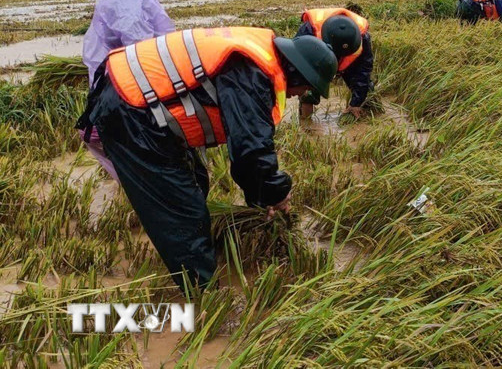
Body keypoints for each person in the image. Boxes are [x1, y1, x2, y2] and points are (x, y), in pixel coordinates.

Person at [77, 27, 338, 291]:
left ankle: (198, 261)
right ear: (296, 71)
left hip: (140, 106)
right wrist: (275, 193)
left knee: (196, 182)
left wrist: (260, 198)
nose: (299, 94)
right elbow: (250, 151)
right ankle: (204, 295)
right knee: (183, 211)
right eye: (306, 86)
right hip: (129, 112)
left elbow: (248, 151)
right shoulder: (252, 73)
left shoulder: (256, 59)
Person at [74, 0, 175, 181]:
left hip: (127, 90)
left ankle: (141, 187)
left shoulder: (121, 0)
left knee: (94, 135)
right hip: (139, 86)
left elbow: (139, 51)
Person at [296, 8, 373, 119]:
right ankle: (306, 123)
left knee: (365, 88)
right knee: (307, 90)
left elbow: (363, 72)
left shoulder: (363, 38)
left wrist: (356, 103)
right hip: (318, 58)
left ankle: (362, 115)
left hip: (348, 57)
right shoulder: (308, 33)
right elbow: (301, 70)